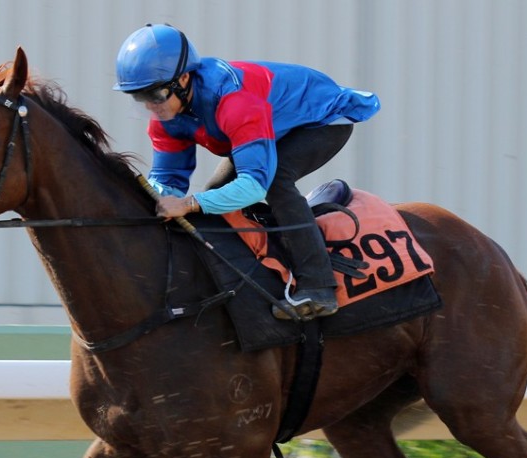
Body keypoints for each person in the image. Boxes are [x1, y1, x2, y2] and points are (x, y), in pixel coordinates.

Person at [113, 23, 381, 321]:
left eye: (156, 94)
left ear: (184, 79)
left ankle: (318, 287)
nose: (152, 106)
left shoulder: (234, 101)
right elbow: (167, 181)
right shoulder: (165, 118)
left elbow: (253, 186)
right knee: (216, 190)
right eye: (141, 97)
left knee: (275, 182)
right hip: (271, 125)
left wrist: (189, 203)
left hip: (320, 120)